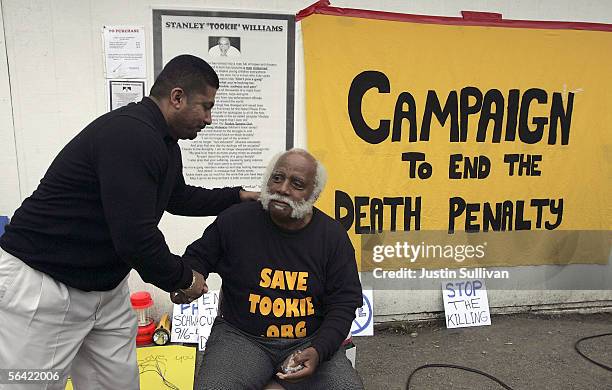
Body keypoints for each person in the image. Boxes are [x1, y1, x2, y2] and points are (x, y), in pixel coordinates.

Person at [0, 54, 257, 390]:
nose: (209, 119)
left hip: (104, 288)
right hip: (45, 284)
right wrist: (182, 278)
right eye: (205, 107)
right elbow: (135, 238)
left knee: (118, 384)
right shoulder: (130, 135)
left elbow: (177, 197)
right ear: (177, 97)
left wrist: (237, 196)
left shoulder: (164, 143)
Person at [184, 149, 365, 390]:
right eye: (277, 178)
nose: (282, 189)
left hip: (309, 340)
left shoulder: (332, 237)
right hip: (242, 339)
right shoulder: (235, 221)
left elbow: (344, 301)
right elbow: (197, 258)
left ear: (314, 194)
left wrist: (319, 350)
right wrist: (187, 280)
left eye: (297, 183)